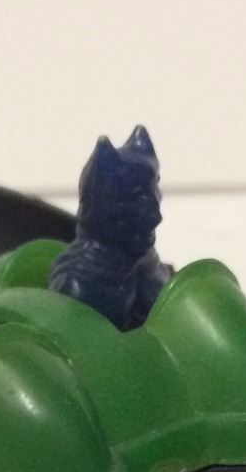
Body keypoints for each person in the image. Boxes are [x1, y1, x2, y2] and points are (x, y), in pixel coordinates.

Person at [48, 125, 173, 331]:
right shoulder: (78, 284)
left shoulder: (149, 265)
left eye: (153, 190)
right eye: (137, 198)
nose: (155, 216)